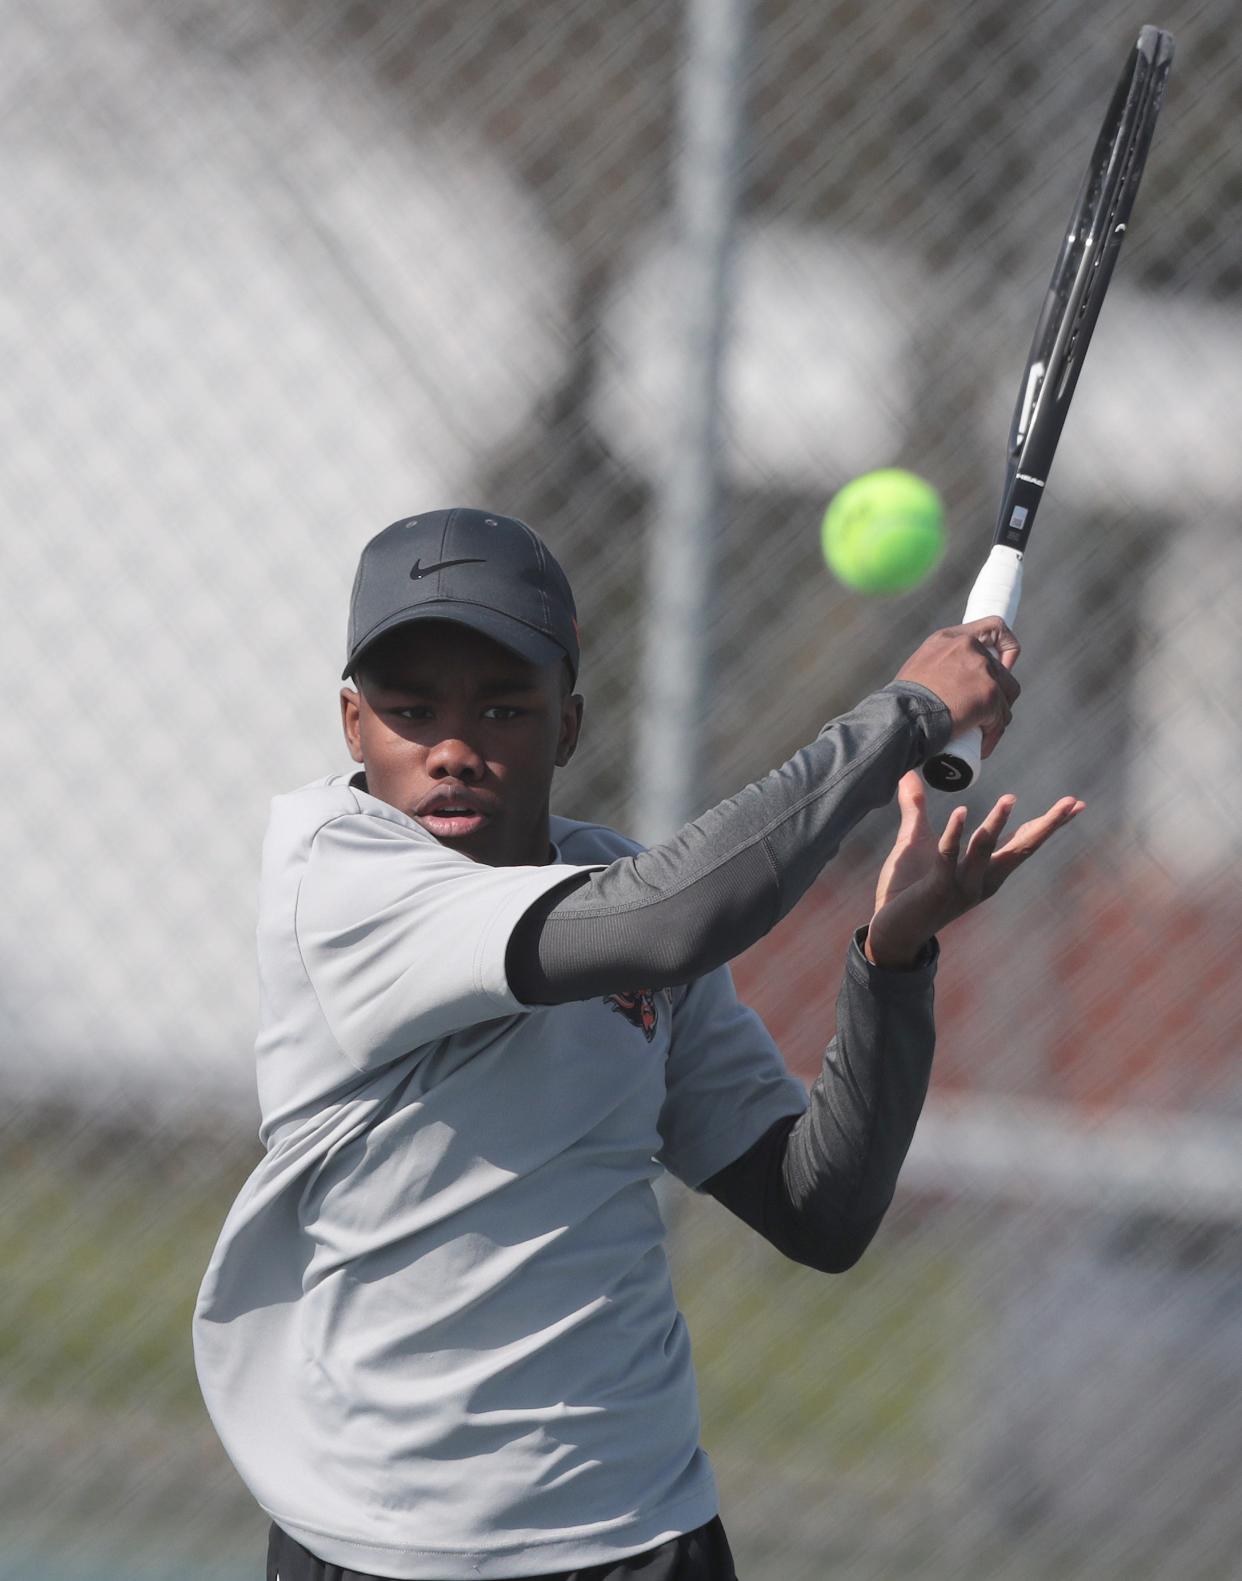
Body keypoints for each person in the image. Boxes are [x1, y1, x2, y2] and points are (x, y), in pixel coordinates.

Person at [193, 507, 1083, 1581]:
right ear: (351, 726)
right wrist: (904, 713)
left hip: (639, 1530)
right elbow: (666, 920)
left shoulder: (615, 890)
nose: (455, 750)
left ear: (567, 727)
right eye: (410, 709)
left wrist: (890, 963)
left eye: (504, 708)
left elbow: (820, 1209)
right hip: (380, 1541)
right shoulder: (341, 880)